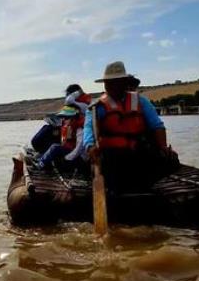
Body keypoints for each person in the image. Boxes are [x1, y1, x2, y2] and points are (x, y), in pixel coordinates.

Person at [83, 61, 178, 193]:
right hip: (113, 156)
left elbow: (157, 125)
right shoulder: (97, 107)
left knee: (172, 160)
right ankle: (131, 184)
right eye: (109, 83)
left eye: (117, 82)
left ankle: (140, 182)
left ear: (124, 83)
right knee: (114, 168)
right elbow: (88, 128)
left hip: (138, 153)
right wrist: (90, 146)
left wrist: (163, 146)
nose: (112, 86)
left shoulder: (140, 101)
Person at [30, 84, 93, 154]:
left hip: (75, 135)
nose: (66, 96)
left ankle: (44, 155)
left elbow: (70, 102)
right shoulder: (76, 103)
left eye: (67, 94)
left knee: (50, 131)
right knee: (47, 128)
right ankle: (42, 153)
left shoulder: (82, 103)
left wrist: (74, 95)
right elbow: (68, 113)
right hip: (69, 130)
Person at [35, 105, 87, 170]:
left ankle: (40, 165)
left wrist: (67, 157)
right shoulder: (70, 127)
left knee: (55, 147)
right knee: (52, 146)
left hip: (78, 159)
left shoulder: (80, 129)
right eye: (63, 117)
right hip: (72, 154)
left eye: (66, 118)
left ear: (73, 118)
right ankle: (43, 162)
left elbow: (80, 148)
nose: (63, 120)